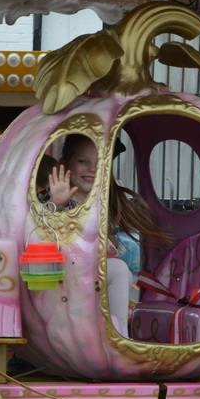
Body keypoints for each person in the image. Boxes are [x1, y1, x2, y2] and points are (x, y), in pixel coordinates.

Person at [47, 134, 169, 335]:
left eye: (99, 163)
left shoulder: (108, 204)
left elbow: (128, 248)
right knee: (118, 271)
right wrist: (55, 204)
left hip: (93, 276)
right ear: (65, 163)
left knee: (124, 272)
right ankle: (118, 335)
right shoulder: (54, 198)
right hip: (61, 276)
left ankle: (114, 330)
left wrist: (111, 246)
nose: (91, 169)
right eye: (82, 161)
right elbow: (39, 231)